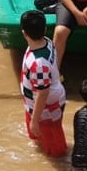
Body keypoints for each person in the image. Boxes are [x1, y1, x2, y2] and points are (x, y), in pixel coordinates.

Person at [20, 9, 67, 157]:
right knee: (41, 136)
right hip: (36, 106)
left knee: (55, 147)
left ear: (24, 33)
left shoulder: (39, 64)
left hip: (47, 108)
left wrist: (35, 121)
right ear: (45, 29)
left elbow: (43, 92)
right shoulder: (46, 42)